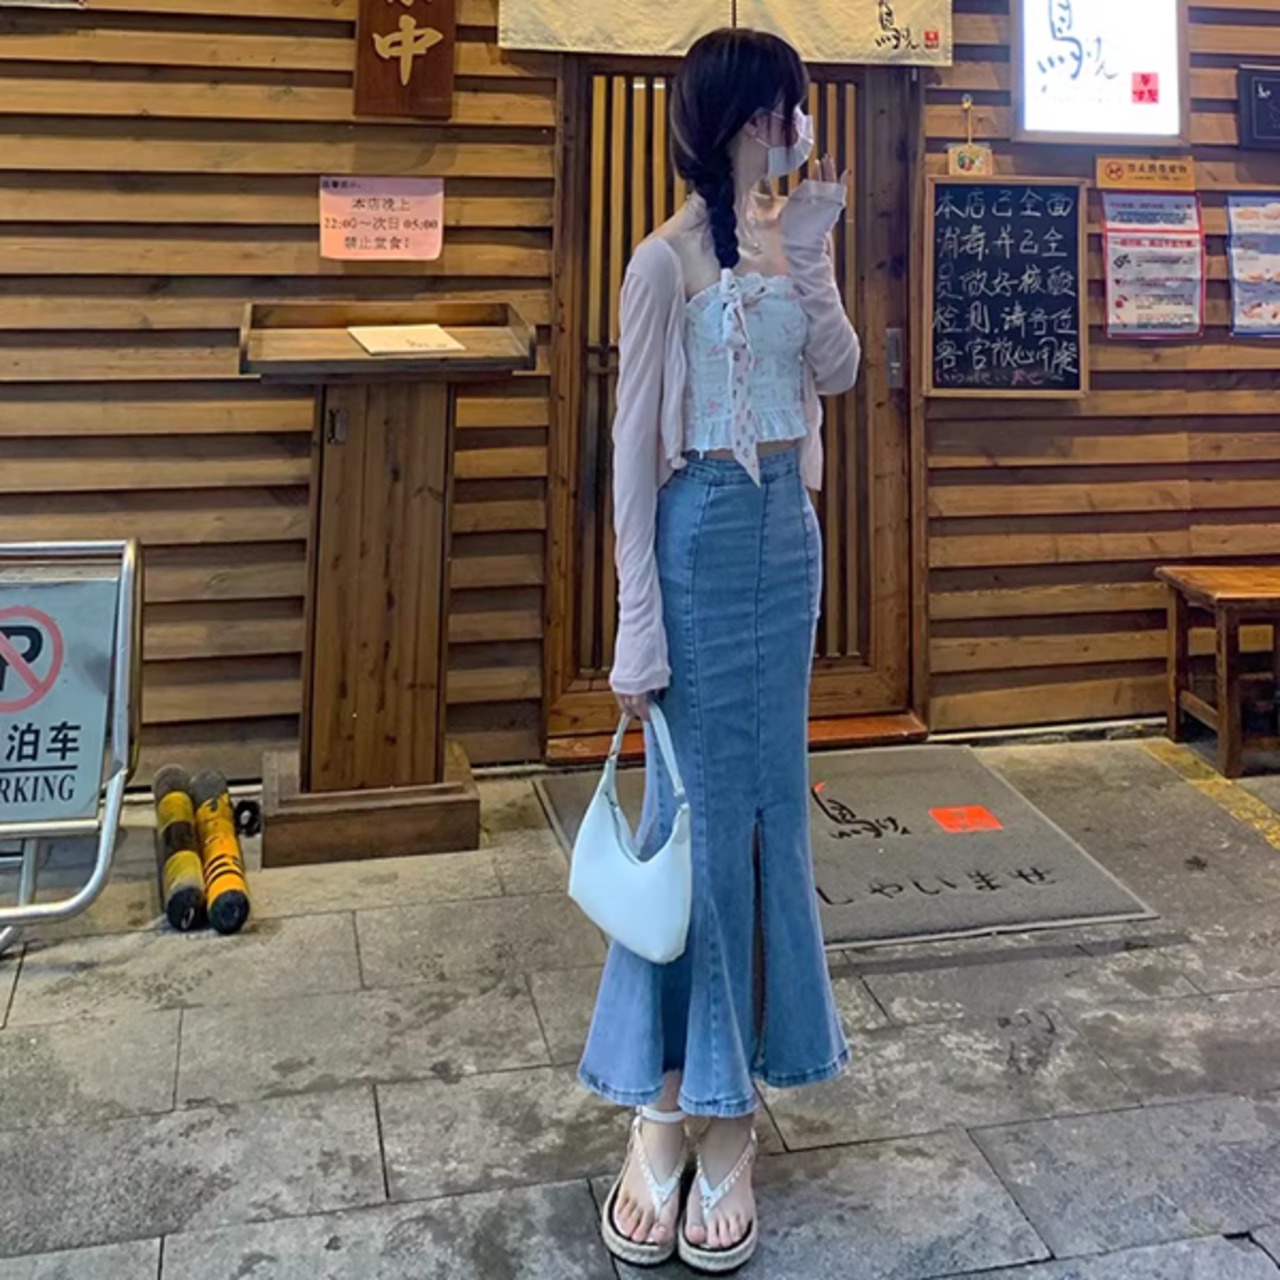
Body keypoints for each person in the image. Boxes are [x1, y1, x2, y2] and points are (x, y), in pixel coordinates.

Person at [577, 26, 862, 1274]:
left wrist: (814, 255)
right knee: (686, 818)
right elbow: (629, 457)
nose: (798, 129)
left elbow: (836, 372)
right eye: (787, 109)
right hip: (695, 540)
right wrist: (635, 622)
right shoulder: (659, 261)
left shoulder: (795, 239)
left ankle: (730, 1109)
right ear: (748, 117)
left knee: (765, 816)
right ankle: (663, 1103)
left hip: (784, 544)